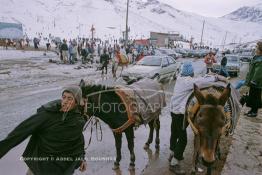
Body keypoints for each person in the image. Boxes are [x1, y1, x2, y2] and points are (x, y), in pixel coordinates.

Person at [0, 86, 87, 175]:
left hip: (60, 169)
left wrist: (81, 159)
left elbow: (78, 143)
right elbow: (21, 131)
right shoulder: (47, 115)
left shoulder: (78, 121)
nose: (65, 101)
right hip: (39, 167)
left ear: (76, 102)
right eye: (64, 97)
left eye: (70, 99)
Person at [169, 61, 229, 174]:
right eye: (192, 73)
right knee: (183, 139)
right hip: (180, 114)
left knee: (174, 133)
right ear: (190, 74)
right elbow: (201, 81)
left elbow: (198, 78)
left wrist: (208, 74)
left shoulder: (180, 79)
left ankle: (172, 153)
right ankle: (174, 163)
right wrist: (217, 77)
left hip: (173, 111)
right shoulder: (188, 82)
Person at [244, 41, 262, 117]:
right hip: (253, 81)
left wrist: (254, 81)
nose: (255, 49)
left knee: (255, 97)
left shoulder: (260, 60)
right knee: (252, 96)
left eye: (257, 48)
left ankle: (254, 112)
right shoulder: (256, 57)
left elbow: (258, 72)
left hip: (257, 83)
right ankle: (252, 110)